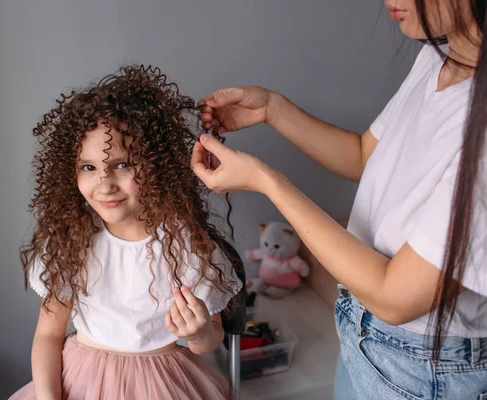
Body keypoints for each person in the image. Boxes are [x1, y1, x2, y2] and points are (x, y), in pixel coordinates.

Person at [191, 1, 487, 398]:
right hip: (364, 331)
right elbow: (364, 155)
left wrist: (266, 180)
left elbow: (395, 297)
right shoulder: (441, 58)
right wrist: (272, 109)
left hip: (426, 368)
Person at [9, 65, 242, 400]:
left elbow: (208, 342)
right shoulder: (71, 242)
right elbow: (48, 336)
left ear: (156, 164)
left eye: (122, 164)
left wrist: (201, 330)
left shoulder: (189, 247)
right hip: (81, 380)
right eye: (88, 167)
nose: (104, 184)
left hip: (165, 383)